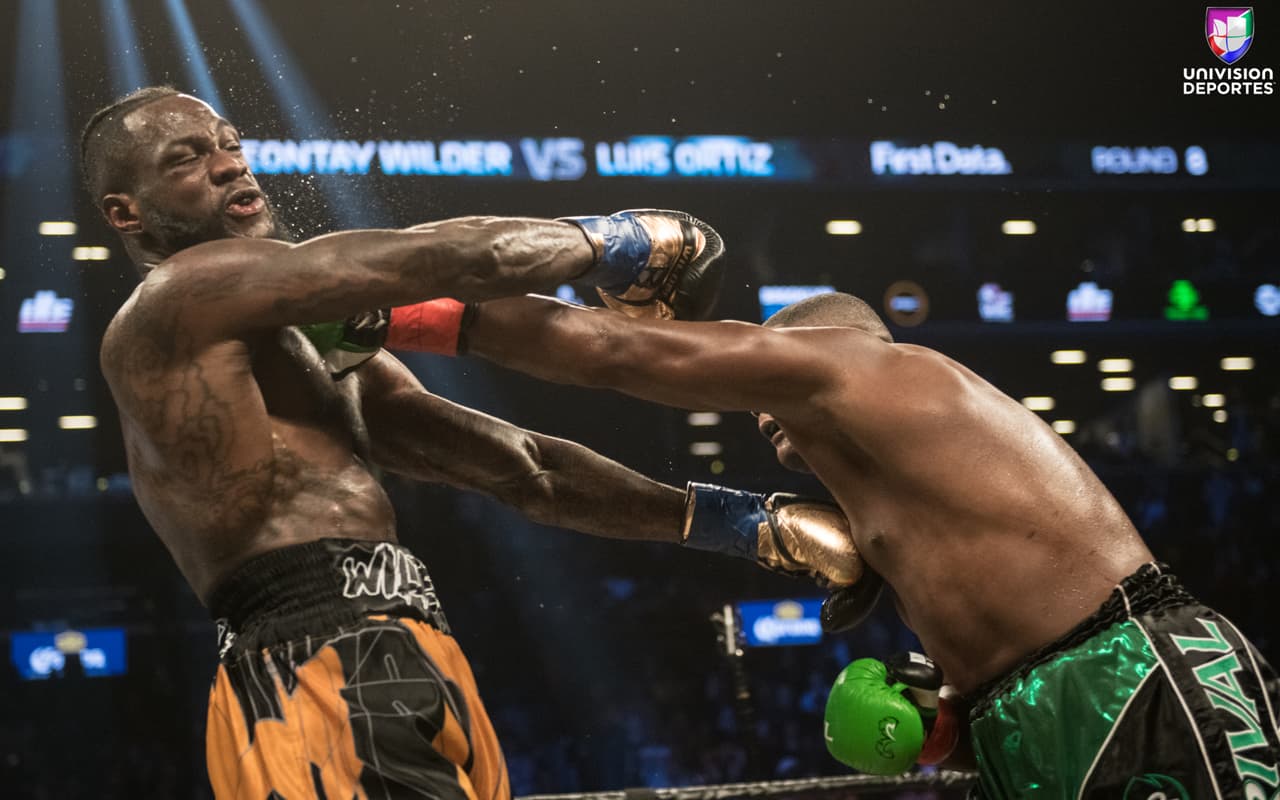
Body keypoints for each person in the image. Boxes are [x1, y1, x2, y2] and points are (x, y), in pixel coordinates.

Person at [80, 87, 870, 799]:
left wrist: (752, 526)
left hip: (403, 647)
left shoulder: (308, 348)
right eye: (187, 157)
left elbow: (526, 471)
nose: (226, 165)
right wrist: (626, 239)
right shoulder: (178, 295)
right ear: (126, 213)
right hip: (309, 663)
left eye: (230, 143)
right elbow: (451, 259)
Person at [441, 290, 1280, 797]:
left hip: (1136, 673)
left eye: (767, 387)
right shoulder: (888, 497)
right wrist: (940, 712)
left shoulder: (872, 368)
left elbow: (619, 350)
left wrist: (422, 314)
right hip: (1040, 712)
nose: (759, 413)